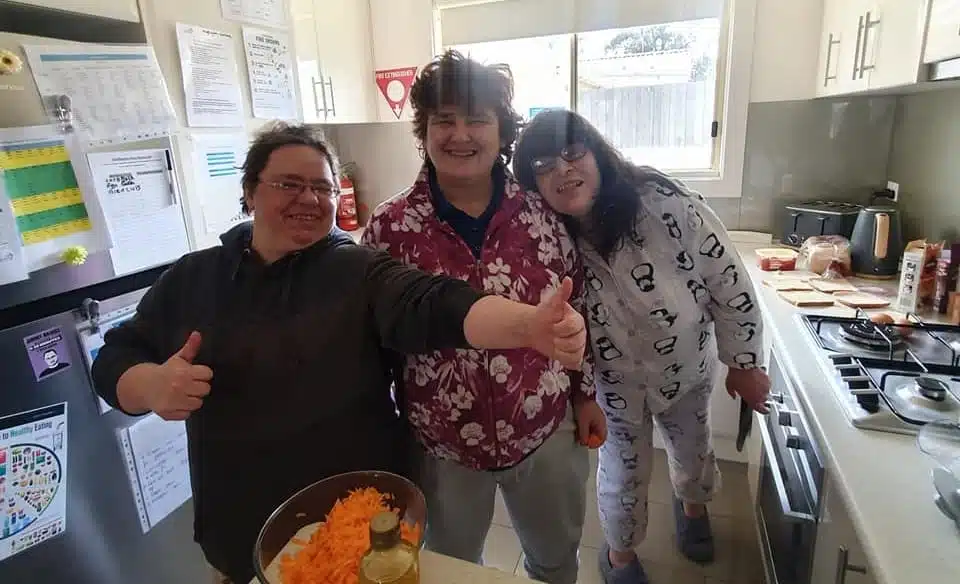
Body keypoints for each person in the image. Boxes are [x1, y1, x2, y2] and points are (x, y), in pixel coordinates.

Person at [91, 122, 588, 584]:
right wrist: (150, 385)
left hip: (363, 525)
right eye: (288, 184)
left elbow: (436, 304)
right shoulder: (193, 279)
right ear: (249, 192)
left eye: (322, 187)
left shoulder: (358, 272)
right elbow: (114, 359)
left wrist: (528, 325)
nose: (308, 198)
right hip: (243, 529)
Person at [362, 51, 605, 584]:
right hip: (440, 445)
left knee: (556, 562)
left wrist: (585, 396)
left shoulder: (544, 213)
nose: (460, 134)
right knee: (449, 571)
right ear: (423, 130)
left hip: (544, 430)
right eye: (443, 120)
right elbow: (376, 339)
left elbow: (579, 308)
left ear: (501, 130)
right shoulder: (390, 227)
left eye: (477, 118)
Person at [512, 110, 771, 584]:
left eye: (573, 153)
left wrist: (744, 362)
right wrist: (580, 392)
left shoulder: (663, 203)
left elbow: (729, 279)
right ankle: (619, 558)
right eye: (543, 165)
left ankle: (693, 508)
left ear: (596, 152)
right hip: (615, 388)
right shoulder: (544, 238)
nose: (562, 170)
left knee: (693, 456)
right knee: (622, 481)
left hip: (686, 369)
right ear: (531, 184)